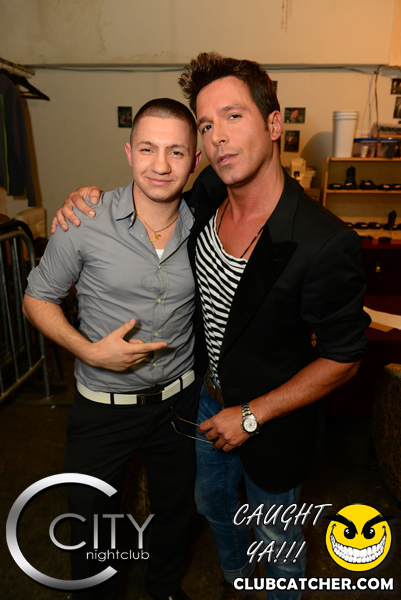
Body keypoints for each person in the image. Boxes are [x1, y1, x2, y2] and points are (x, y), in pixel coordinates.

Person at [53, 52, 370, 600]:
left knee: (275, 533)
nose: (217, 135)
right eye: (205, 124)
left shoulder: (323, 240)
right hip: (201, 404)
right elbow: (147, 195)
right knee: (211, 506)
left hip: (269, 418)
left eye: (233, 116)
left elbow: (344, 357)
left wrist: (252, 415)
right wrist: (87, 201)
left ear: (274, 124)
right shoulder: (205, 197)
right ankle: (234, 581)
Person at [23, 98, 203, 600]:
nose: (160, 165)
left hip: (179, 403)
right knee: (89, 521)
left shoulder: (209, 223)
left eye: (176, 152)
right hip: (103, 405)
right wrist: (87, 351)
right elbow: (37, 299)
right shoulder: (85, 219)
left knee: (176, 509)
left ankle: (165, 588)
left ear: (195, 160)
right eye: (147, 149)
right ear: (128, 152)